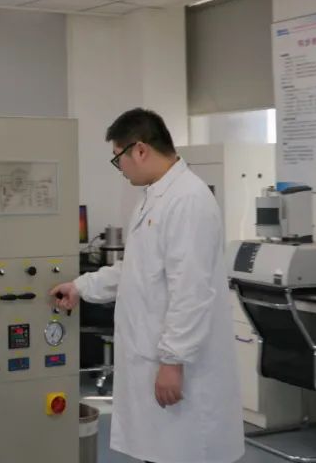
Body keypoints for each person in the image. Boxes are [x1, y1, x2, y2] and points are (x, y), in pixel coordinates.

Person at [50, 109, 243, 463]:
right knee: (159, 451)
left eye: (118, 158)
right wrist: (82, 286)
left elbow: (191, 291)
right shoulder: (156, 198)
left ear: (139, 150)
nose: (120, 168)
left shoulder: (188, 200)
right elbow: (136, 269)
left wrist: (173, 361)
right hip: (152, 356)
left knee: (182, 452)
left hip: (179, 368)